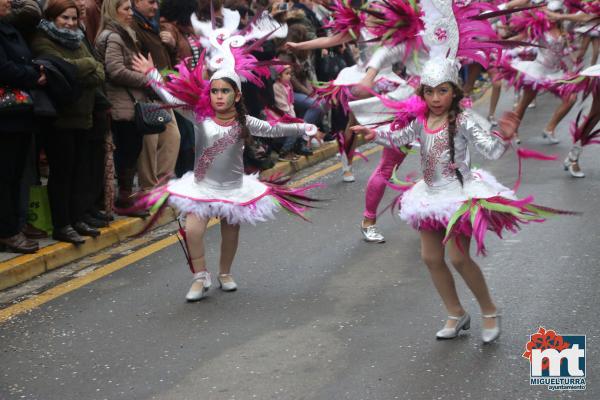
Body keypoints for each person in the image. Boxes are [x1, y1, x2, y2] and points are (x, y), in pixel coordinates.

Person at [130, 34, 320, 302]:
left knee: (230, 233)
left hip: (233, 189)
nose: (219, 96)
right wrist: (152, 76)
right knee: (193, 231)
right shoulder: (199, 115)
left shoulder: (245, 121)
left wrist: (303, 127)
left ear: (237, 94)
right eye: (215, 91)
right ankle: (200, 276)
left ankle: (225, 273)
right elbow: (169, 96)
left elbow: (273, 127)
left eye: (225, 91)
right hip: (202, 187)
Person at [352, 57, 522, 343]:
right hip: (430, 197)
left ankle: (489, 310)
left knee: (458, 257)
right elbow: (399, 137)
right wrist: (374, 134)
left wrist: (504, 136)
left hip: (458, 197)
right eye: (429, 92)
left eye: (442, 91)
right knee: (430, 257)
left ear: (455, 91)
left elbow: (491, 151)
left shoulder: (464, 120)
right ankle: (456, 313)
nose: (435, 98)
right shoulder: (421, 120)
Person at [30, 0, 105, 244]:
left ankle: (76, 218)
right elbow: (60, 69)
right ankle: (62, 224)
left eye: (74, 18)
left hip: (84, 116)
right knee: (61, 174)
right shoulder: (42, 39)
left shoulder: (78, 37)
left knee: (79, 172)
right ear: (52, 18)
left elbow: (100, 71)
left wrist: (81, 69)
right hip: (60, 119)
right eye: (65, 18)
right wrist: (86, 67)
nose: (71, 23)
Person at [0, 0, 47, 253]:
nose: (9, 1)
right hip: (5, 116)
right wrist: (32, 75)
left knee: (15, 174)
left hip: (19, 113)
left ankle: (14, 226)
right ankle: (8, 231)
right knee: (5, 176)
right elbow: (4, 68)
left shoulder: (10, 28)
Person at [96, 0, 150, 217]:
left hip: (127, 101)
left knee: (132, 147)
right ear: (113, 11)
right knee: (127, 149)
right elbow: (116, 70)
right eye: (126, 9)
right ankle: (124, 197)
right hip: (121, 103)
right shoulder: (115, 36)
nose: (131, 13)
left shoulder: (121, 34)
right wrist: (145, 79)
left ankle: (125, 195)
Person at [131, 0, 181, 191]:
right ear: (137, 2)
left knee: (172, 138)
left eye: (156, 2)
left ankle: (162, 186)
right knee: (150, 143)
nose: (155, 6)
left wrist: (172, 45)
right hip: (147, 93)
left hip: (164, 92)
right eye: (150, 2)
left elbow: (167, 60)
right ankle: (149, 189)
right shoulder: (134, 25)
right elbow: (137, 61)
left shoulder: (154, 24)